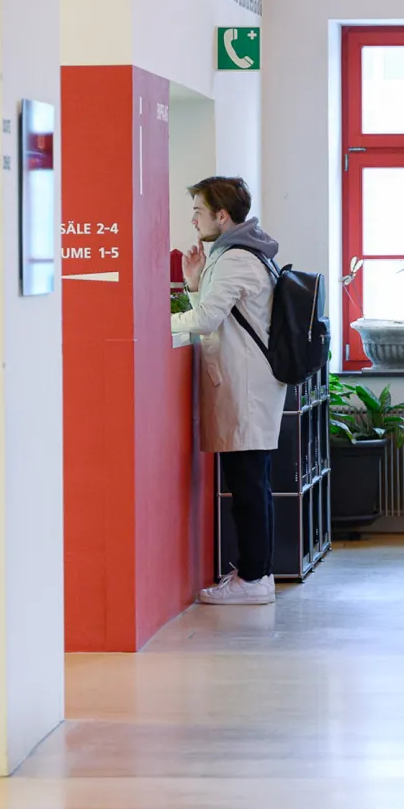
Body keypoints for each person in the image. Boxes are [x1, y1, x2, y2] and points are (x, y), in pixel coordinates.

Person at [171, 177, 287, 605]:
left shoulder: (236, 258)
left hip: (246, 387)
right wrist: (195, 284)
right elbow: (219, 313)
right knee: (251, 482)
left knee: (249, 486)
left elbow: (205, 321)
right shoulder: (243, 253)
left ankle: (254, 579)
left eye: (198, 211)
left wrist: (151, 323)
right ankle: (257, 574)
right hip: (249, 384)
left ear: (221, 216)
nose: (194, 220)